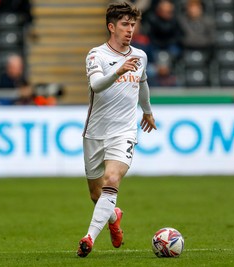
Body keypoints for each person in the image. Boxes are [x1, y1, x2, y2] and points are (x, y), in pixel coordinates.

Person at [77, 2, 157, 258]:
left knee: (112, 180)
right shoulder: (96, 55)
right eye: (124, 24)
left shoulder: (140, 56)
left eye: (132, 24)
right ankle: (114, 216)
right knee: (95, 193)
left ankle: (89, 237)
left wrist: (147, 110)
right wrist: (117, 71)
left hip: (124, 132)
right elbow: (97, 85)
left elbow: (142, 84)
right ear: (111, 27)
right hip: (95, 133)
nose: (130, 29)